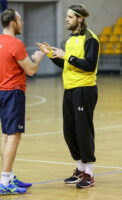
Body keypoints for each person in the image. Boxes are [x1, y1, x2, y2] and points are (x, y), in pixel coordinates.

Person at [37, 4, 99, 189]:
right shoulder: (70, 39)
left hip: (84, 89)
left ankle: (89, 172)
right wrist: (50, 54)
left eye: (70, 17)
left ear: (80, 19)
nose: (66, 19)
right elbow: (67, 64)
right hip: (70, 89)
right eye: (66, 16)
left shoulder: (91, 38)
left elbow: (89, 65)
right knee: (69, 131)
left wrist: (67, 56)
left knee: (83, 129)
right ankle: (80, 169)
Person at [0, 8, 43, 195]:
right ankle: (5, 180)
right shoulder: (16, 44)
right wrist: (37, 58)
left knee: (6, 134)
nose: (22, 23)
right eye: (20, 21)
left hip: (0, 92)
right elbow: (31, 70)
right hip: (13, 93)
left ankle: (10, 176)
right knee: (14, 136)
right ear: (12, 23)